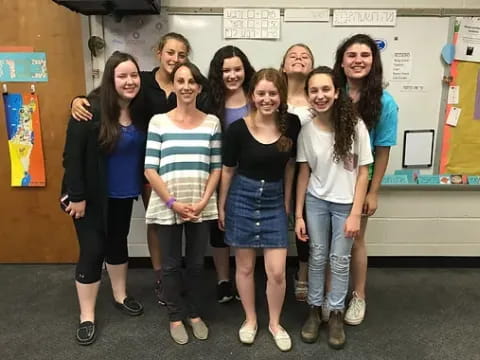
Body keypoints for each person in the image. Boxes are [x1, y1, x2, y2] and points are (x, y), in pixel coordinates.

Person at [70, 32, 207, 306]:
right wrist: (75, 99)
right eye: (170, 52)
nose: (175, 59)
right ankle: (160, 278)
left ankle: (169, 281)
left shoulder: (189, 84)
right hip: (147, 173)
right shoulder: (142, 83)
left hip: (175, 172)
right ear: (159, 52)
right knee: (155, 223)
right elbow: (104, 98)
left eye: (181, 54)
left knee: (131, 234)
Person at [62, 51, 145, 345]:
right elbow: (71, 158)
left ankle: (121, 296)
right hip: (89, 197)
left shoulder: (140, 109)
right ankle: (87, 315)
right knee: (93, 250)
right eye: (122, 76)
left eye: (134, 75)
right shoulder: (89, 110)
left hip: (123, 193)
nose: (129, 81)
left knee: (118, 242)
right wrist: (77, 196)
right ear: (111, 79)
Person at [218, 68, 301, 352]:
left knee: (277, 271)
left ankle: (275, 323)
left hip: (274, 200)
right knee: (244, 266)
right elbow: (227, 170)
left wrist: (287, 202)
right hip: (242, 196)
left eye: (273, 93)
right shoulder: (237, 129)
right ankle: (250, 320)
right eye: (261, 93)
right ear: (252, 95)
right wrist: (222, 206)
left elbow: (290, 166)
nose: (267, 99)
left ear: (281, 95)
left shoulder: (292, 124)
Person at [295, 66, 372, 349]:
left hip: (345, 205)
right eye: (313, 90)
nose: (320, 95)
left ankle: (336, 313)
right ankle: (315, 311)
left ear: (337, 92)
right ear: (308, 95)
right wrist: (299, 214)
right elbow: (303, 173)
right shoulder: (307, 131)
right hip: (316, 202)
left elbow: (364, 172)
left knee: (339, 262)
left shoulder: (356, 127)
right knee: (317, 257)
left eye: (325, 89)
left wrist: (355, 214)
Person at [144, 62, 222, 345]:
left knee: (197, 264)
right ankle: (175, 316)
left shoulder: (212, 122)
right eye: (180, 80)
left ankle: (194, 312)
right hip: (169, 205)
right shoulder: (159, 122)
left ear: (199, 87)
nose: (186, 86)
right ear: (173, 85)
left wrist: (203, 202)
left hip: (201, 204)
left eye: (191, 81)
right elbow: (150, 169)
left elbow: (216, 168)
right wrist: (173, 203)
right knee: (171, 264)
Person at [333, 34, 398, 325]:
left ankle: (358, 296)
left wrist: (374, 192)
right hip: (330, 178)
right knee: (329, 240)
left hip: (361, 179)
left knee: (356, 238)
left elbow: (382, 151)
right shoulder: (332, 92)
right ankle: (329, 297)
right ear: (342, 61)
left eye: (365, 55)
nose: (358, 60)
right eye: (352, 55)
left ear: (374, 61)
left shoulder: (385, 102)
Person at [206, 45, 255, 303]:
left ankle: (244, 277)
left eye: (237, 69)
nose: (232, 75)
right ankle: (223, 280)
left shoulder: (257, 96)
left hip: (250, 174)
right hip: (217, 173)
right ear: (218, 73)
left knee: (246, 228)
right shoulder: (209, 100)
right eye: (226, 70)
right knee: (219, 228)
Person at [280, 43, 315, 302]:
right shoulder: (273, 96)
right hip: (278, 172)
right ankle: (276, 273)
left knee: (306, 226)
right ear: (283, 66)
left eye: (305, 57)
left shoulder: (318, 98)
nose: (299, 59)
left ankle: (302, 273)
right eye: (293, 56)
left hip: (310, 173)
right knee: (280, 220)